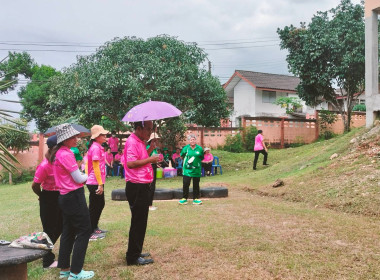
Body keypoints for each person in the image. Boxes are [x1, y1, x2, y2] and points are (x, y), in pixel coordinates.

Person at [51, 123, 94, 280]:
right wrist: (88, 175)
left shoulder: (58, 154)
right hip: (74, 196)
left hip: (64, 197)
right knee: (84, 230)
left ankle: (65, 269)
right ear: (65, 139)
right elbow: (78, 178)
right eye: (73, 137)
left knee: (68, 231)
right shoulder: (66, 154)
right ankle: (76, 272)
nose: (76, 139)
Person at [123, 121, 160, 266]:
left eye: (151, 129)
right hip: (137, 186)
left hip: (142, 185)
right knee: (138, 222)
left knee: (140, 221)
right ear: (139, 128)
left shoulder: (140, 141)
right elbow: (131, 164)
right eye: (148, 129)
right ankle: (132, 257)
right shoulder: (132, 142)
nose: (150, 132)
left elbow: (140, 158)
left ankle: (136, 252)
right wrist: (151, 159)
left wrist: (150, 149)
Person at [31, 135, 62, 268]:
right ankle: (47, 260)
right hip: (48, 198)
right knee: (49, 229)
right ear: (54, 148)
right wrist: (42, 196)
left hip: (60, 196)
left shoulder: (59, 162)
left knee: (61, 226)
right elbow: (34, 185)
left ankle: (43, 250)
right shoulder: (44, 166)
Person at [87, 125, 109, 240]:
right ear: (96, 137)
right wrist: (100, 184)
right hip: (95, 181)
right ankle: (90, 232)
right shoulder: (95, 148)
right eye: (103, 135)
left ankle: (94, 227)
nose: (105, 136)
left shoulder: (98, 147)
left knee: (99, 204)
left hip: (97, 181)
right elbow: (95, 167)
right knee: (95, 206)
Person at [179, 134, 204, 205]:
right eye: (191, 140)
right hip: (187, 170)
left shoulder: (200, 148)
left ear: (195, 140)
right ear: (189, 141)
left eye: (194, 139)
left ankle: (195, 198)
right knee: (186, 183)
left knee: (196, 184)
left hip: (196, 169)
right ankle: (184, 198)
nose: (192, 141)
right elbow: (181, 156)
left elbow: (201, 157)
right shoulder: (185, 148)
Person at [146, 133, 160, 211]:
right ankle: (149, 205)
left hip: (154, 166)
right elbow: (147, 158)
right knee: (151, 186)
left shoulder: (154, 149)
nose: (156, 141)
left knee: (153, 186)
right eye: (155, 140)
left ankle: (150, 203)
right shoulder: (149, 148)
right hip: (150, 168)